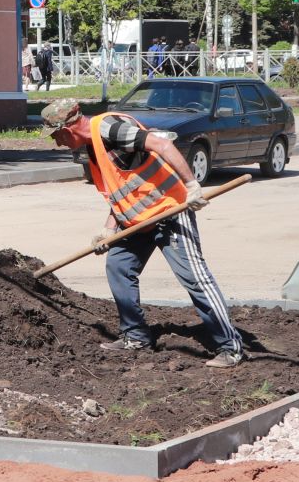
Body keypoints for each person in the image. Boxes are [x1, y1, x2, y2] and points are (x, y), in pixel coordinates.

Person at [41, 96, 244, 366]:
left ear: (66, 129)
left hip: (169, 211)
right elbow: (122, 192)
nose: (57, 143)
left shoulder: (109, 129)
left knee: (195, 278)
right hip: (136, 222)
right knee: (119, 266)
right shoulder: (94, 148)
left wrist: (192, 185)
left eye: (56, 136)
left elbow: (161, 143)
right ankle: (135, 336)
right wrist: (107, 230)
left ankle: (230, 346)